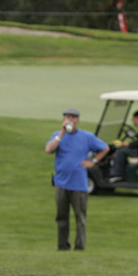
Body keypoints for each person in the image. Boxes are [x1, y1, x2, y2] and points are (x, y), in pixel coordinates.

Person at [45, 107, 108, 250]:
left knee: (80, 218)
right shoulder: (57, 136)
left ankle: (80, 247)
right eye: (67, 117)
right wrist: (61, 133)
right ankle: (63, 246)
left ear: (77, 120)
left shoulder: (86, 137)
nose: (70, 120)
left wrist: (94, 162)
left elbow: (105, 148)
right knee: (61, 217)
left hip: (79, 184)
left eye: (72, 117)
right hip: (61, 183)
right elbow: (49, 149)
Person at [109, 110, 138, 181]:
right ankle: (122, 171)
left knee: (120, 151)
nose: (133, 121)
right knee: (122, 149)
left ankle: (117, 173)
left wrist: (129, 144)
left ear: (136, 118)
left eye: (133, 119)